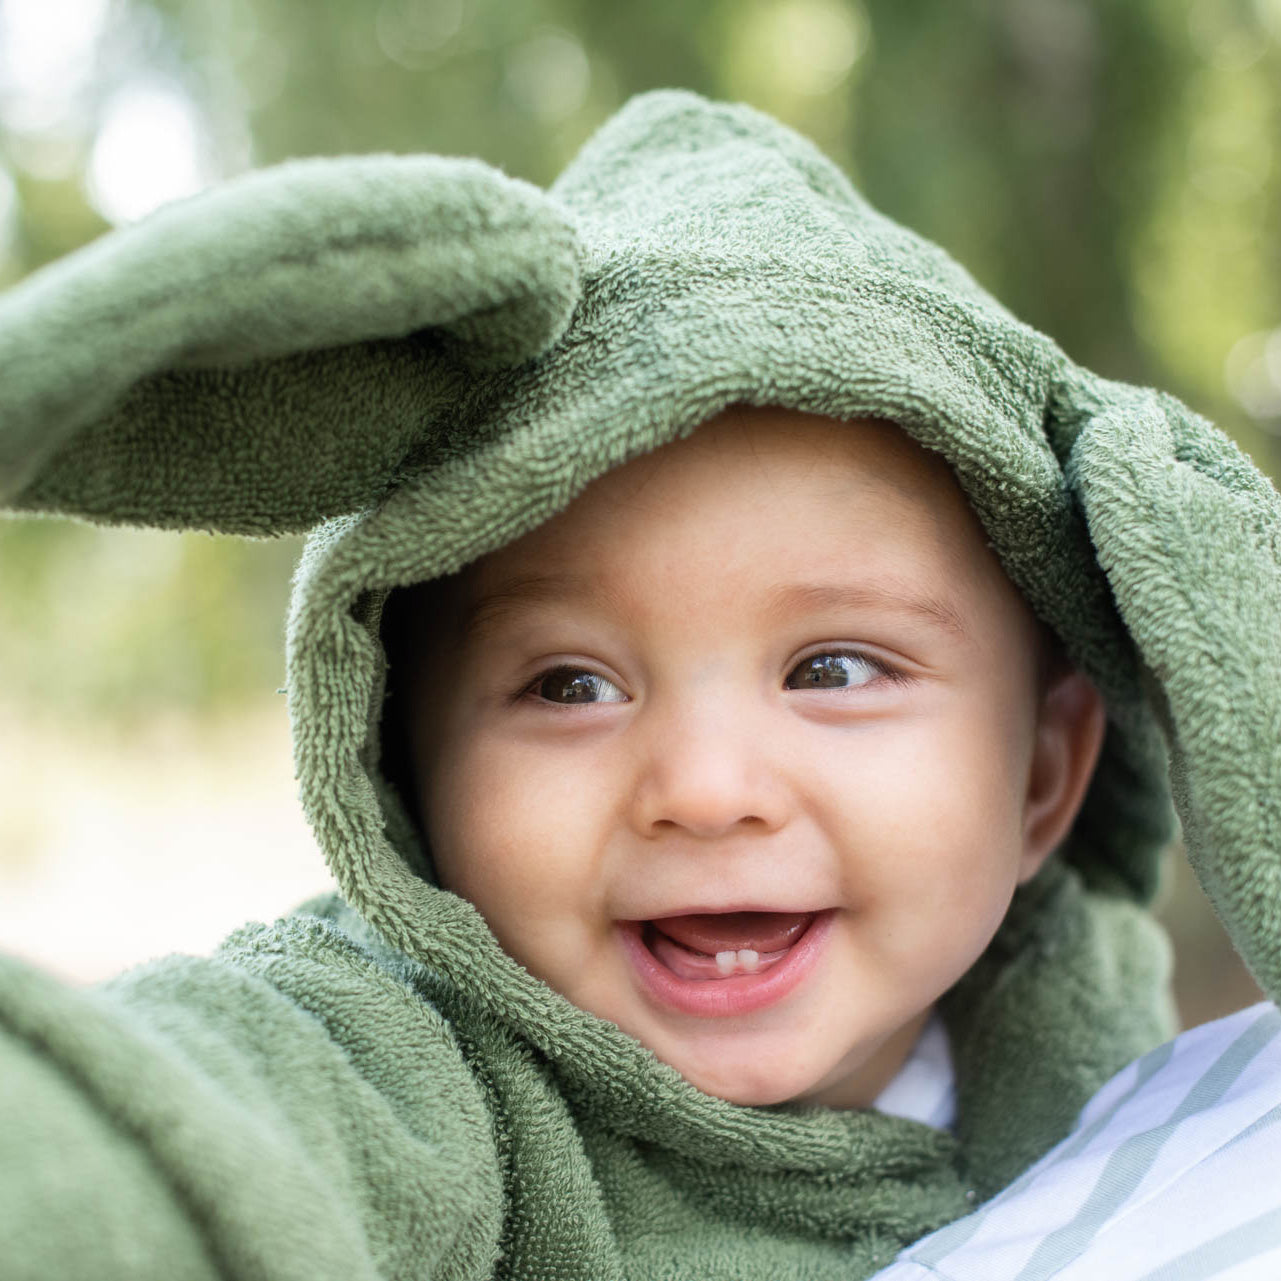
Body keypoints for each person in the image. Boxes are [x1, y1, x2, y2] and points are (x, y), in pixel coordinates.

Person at [0, 89, 1277, 1280]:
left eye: (832, 669)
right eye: (569, 685)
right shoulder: (409, 1063)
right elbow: (169, 1126)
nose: (706, 790)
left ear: (1046, 773)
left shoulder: (1088, 1038)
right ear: (401, 756)